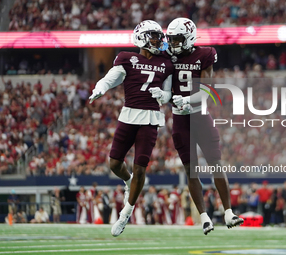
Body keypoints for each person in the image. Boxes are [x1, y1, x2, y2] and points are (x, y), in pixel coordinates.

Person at [89, 20, 173, 237]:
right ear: (142, 38)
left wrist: (162, 96)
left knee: (140, 168)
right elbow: (110, 79)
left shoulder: (166, 62)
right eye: (153, 36)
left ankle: (126, 213)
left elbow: (168, 93)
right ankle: (128, 183)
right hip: (129, 115)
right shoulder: (126, 58)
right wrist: (100, 88)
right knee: (115, 163)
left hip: (151, 118)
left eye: (158, 36)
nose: (158, 40)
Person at [166, 17, 243, 235]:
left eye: (178, 39)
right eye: (171, 39)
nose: (174, 43)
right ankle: (204, 217)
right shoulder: (168, 57)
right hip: (180, 119)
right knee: (191, 170)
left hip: (199, 115)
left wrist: (186, 99)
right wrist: (165, 96)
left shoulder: (205, 54)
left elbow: (207, 89)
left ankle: (228, 211)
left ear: (189, 37)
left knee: (215, 163)